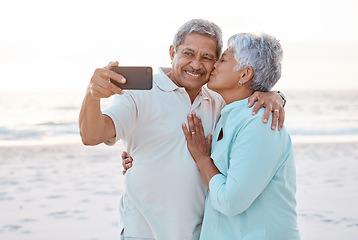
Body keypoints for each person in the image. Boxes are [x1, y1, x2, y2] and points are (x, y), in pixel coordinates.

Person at [79, 19, 286, 240]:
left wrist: (276, 96)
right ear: (172, 52)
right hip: (141, 234)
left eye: (207, 58)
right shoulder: (139, 93)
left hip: (199, 234)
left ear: (215, 62)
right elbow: (92, 136)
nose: (196, 65)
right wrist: (92, 95)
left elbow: (247, 102)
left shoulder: (218, 100)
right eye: (188, 53)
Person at [181, 33, 300, 239]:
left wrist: (202, 159)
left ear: (245, 75)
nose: (215, 65)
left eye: (224, 59)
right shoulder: (230, 115)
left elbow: (231, 201)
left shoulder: (260, 122)